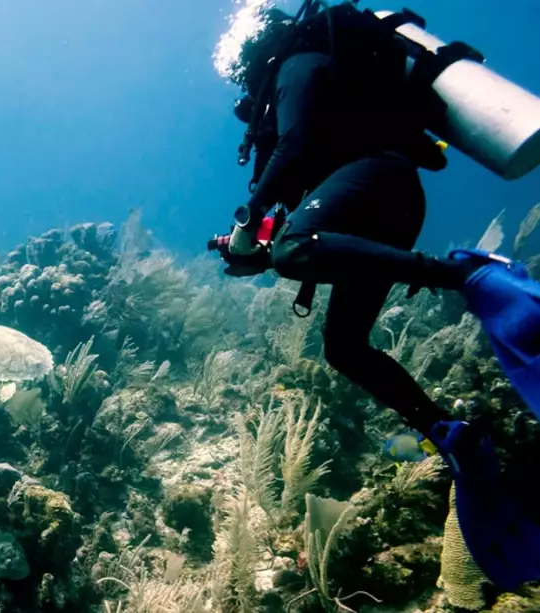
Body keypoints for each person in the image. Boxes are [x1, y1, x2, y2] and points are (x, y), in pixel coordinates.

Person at [222, 1, 540, 591]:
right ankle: (452, 437)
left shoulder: (296, 63)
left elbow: (293, 147)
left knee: (294, 250)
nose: (244, 88)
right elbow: (315, 225)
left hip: (380, 177)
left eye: (243, 74)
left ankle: (468, 275)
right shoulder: (308, 73)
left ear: (257, 54)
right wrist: (258, 253)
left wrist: (250, 217)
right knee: (343, 346)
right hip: (380, 204)